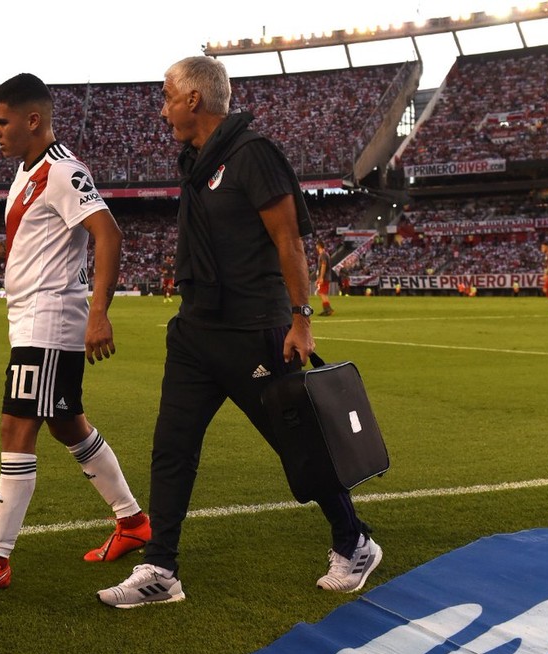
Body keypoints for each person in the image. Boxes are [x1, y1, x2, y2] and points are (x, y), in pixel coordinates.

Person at [98, 57, 381, 609]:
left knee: (297, 446)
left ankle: (355, 541)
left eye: (166, 97)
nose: (161, 110)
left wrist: (301, 320)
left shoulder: (254, 154)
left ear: (194, 101)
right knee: (171, 448)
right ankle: (161, 568)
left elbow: (290, 241)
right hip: (195, 333)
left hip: (256, 331)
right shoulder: (197, 160)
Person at [0, 73, 150, 594]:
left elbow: (108, 231)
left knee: (16, 427)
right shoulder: (27, 172)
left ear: (33, 120)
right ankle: (135, 524)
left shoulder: (62, 171)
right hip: (31, 319)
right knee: (67, 423)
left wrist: (100, 312)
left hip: (49, 321)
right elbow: (29, 243)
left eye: (2, 122)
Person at [315, 239, 334, 315]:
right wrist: (318, 278)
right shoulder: (325, 254)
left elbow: (323, 265)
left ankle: (327, 310)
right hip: (325, 276)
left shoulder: (323, 254)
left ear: (319, 246)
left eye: (316, 245)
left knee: (322, 293)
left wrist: (321, 277)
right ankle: (328, 309)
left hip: (325, 277)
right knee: (322, 293)